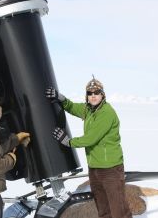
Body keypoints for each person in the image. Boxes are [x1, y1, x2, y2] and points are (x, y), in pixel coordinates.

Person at [45, 76, 132, 218]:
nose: (93, 96)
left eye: (96, 92)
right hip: (94, 168)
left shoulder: (106, 113)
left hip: (110, 169)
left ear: (102, 94)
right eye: (90, 93)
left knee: (119, 210)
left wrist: (68, 142)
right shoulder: (89, 110)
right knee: (103, 208)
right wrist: (61, 98)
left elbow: (91, 138)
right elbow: (73, 107)